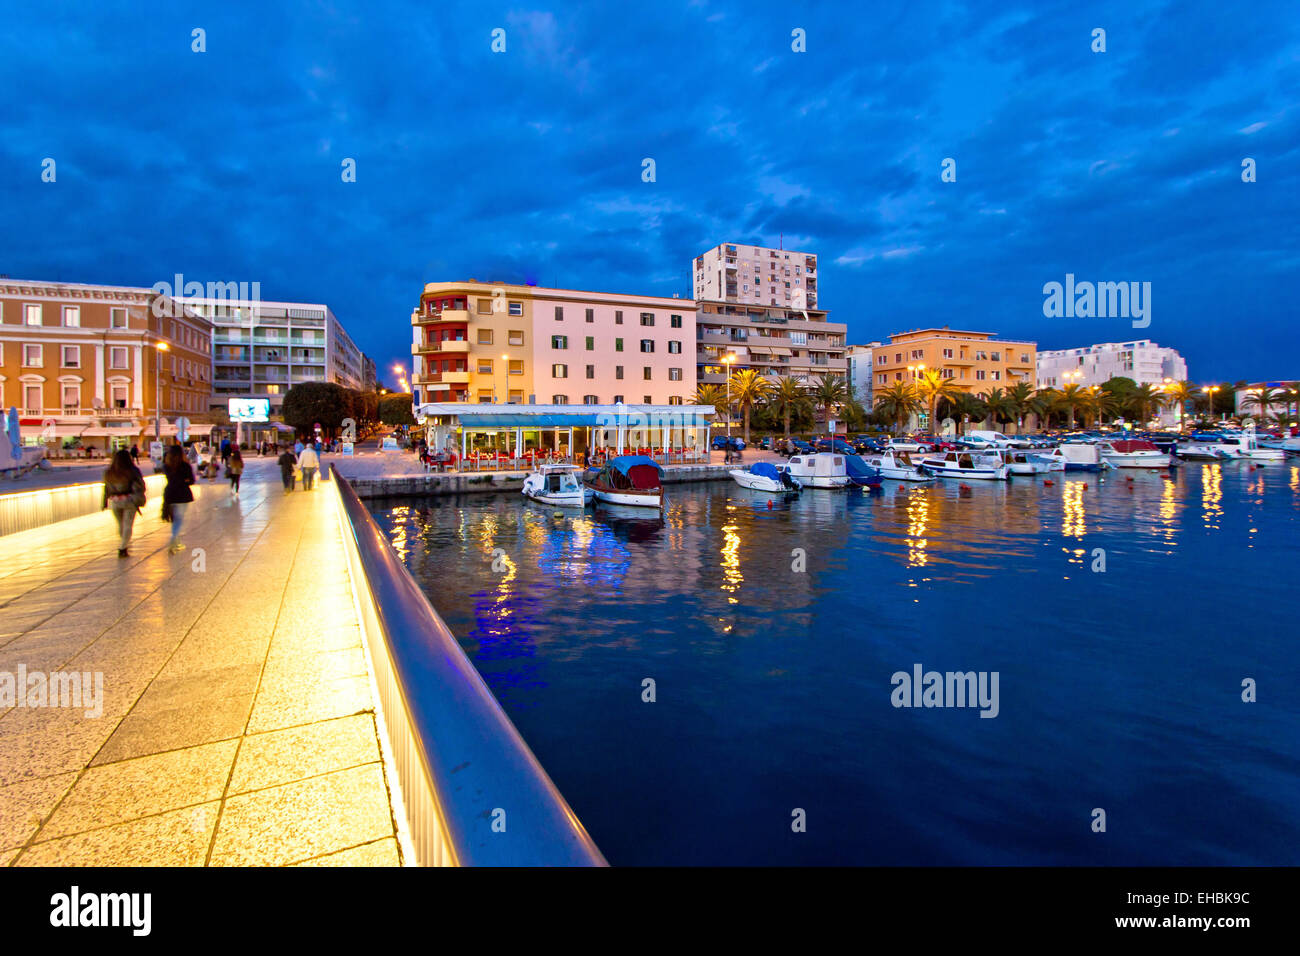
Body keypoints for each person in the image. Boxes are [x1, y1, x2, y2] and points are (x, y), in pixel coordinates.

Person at [102, 449, 145, 558]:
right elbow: (140, 485)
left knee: (121, 524)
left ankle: (124, 543)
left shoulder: (109, 472)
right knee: (127, 524)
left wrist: (104, 502)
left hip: (114, 501)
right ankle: (123, 547)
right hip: (129, 500)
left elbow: (106, 488)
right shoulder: (133, 470)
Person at [162, 444, 195, 554]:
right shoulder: (185, 466)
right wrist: (185, 481)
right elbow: (191, 480)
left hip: (170, 493)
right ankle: (173, 540)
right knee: (179, 519)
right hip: (182, 494)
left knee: (175, 519)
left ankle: (176, 541)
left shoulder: (166, 466)